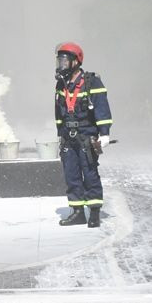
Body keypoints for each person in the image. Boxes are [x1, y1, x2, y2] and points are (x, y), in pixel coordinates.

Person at [53, 42, 112, 228]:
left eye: (65, 60)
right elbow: (58, 112)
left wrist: (104, 133)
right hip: (68, 138)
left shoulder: (92, 82)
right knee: (71, 175)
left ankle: (94, 212)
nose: (61, 64)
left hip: (87, 136)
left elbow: (102, 108)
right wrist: (60, 134)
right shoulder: (61, 84)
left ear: (76, 62)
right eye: (59, 60)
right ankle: (78, 212)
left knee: (90, 173)